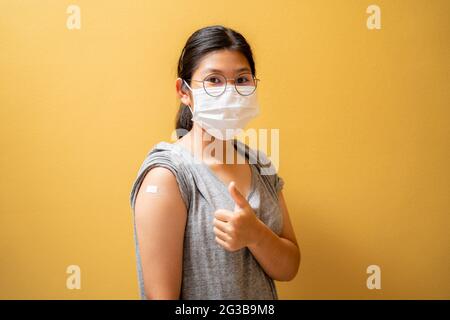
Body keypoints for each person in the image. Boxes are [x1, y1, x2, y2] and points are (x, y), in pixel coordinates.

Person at [129, 25, 300, 300]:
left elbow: (290, 266)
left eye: (242, 79)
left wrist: (256, 235)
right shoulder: (167, 176)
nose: (230, 92)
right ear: (184, 91)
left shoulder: (260, 164)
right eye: (214, 80)